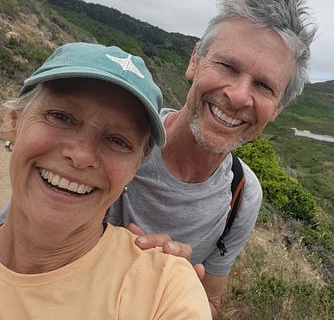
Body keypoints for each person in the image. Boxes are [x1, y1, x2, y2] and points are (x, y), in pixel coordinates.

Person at [106, 0, 317, 317]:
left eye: (264, 86)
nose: (237, 95)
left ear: (277, 109)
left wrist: (178, 290)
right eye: (227, 66)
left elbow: (211, 303)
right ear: (195, 60)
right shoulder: (115, 141)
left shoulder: (242, 194)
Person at [0, 42, 212, 319]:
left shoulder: (163, 289)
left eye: (117, 140)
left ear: (136, 167)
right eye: (61, 117)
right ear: (13, 122)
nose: (81, 155)